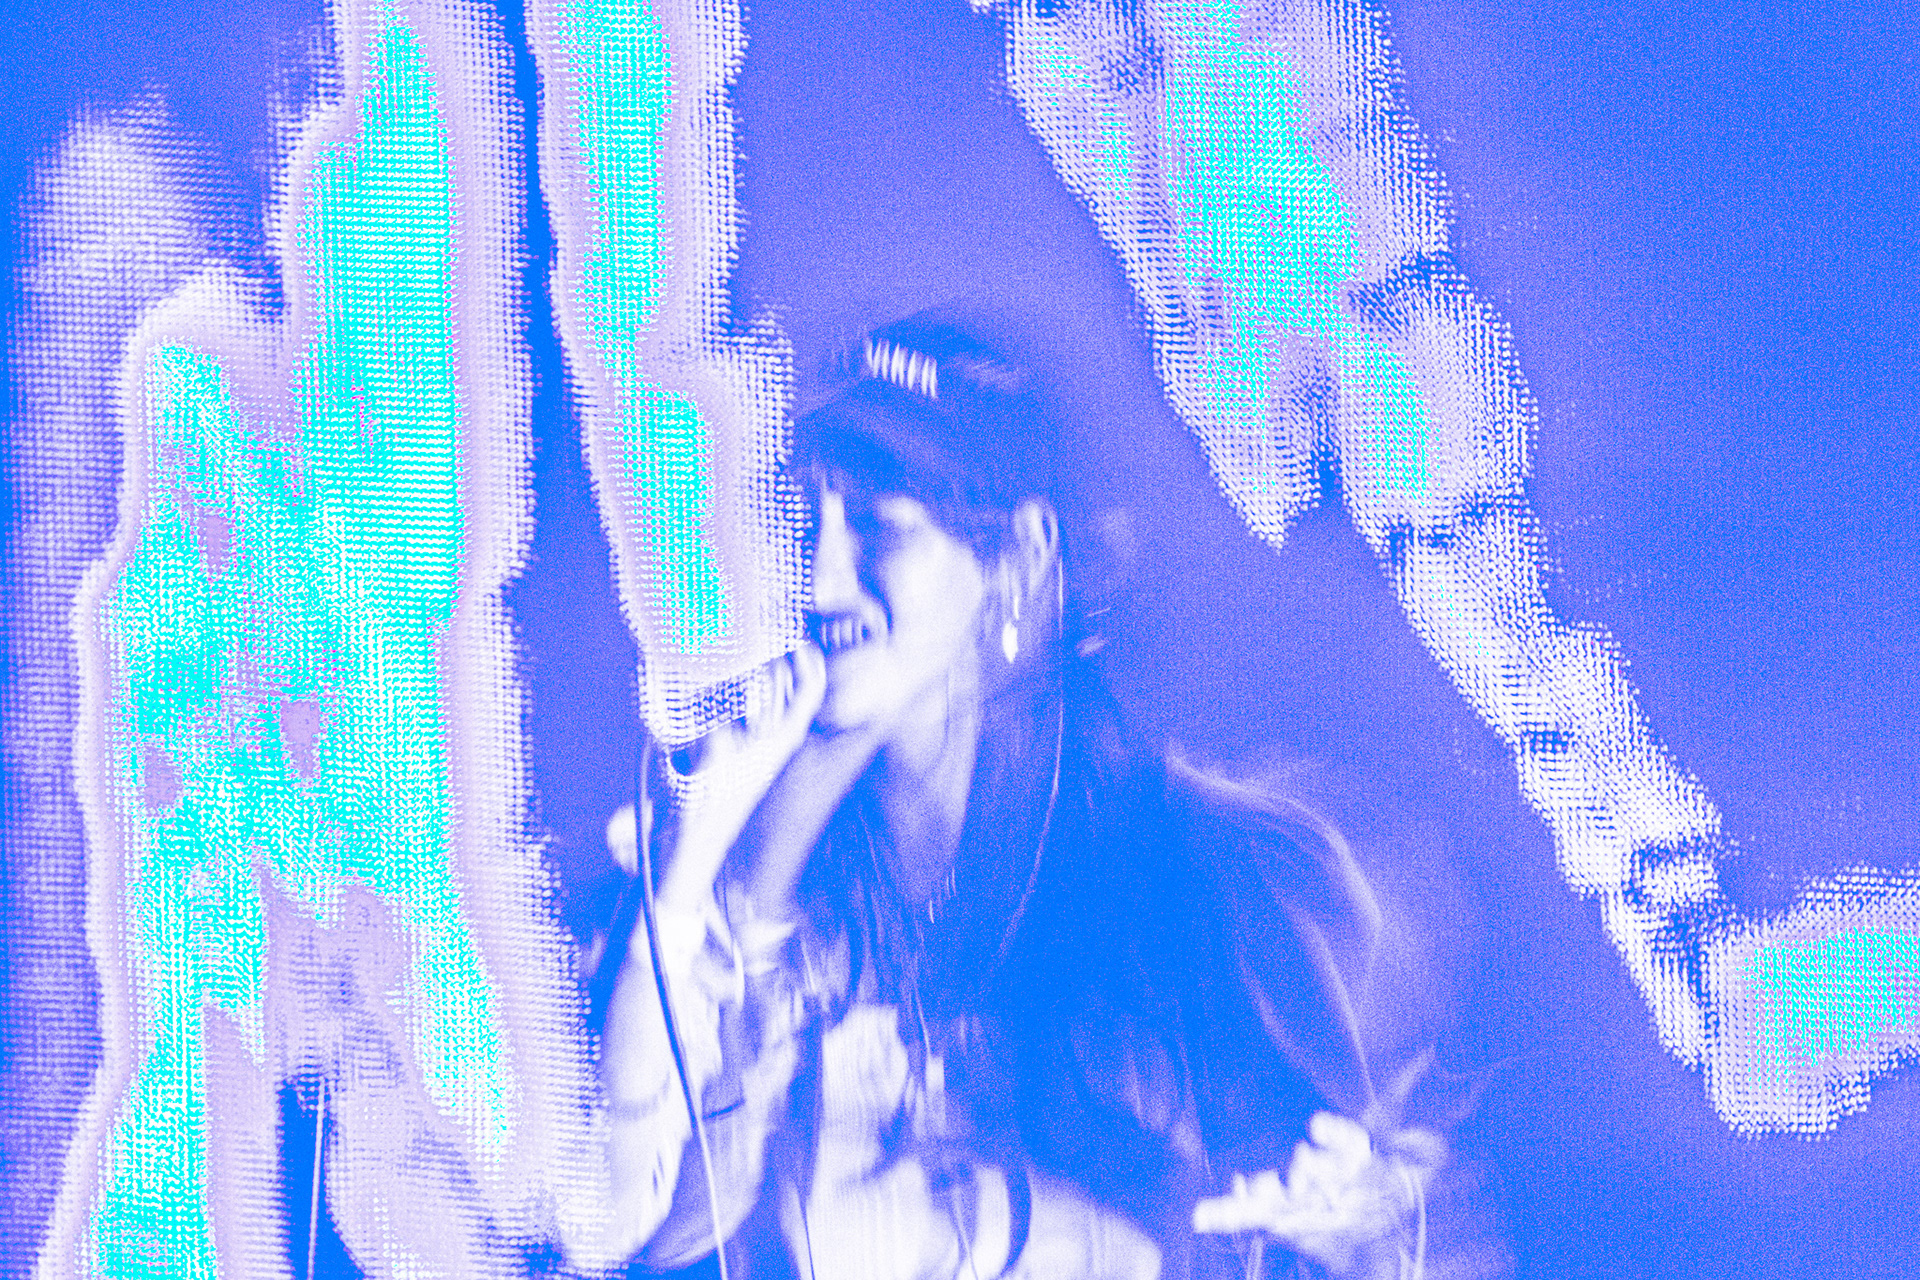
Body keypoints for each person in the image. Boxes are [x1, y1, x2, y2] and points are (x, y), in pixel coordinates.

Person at [581, 323, 1500, 1280]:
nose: (821, 578)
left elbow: (1359, 1208)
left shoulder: (1185, 878)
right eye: (803, 524)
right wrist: (717, 860)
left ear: (1018, 554)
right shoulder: (756, 859)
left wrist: (1358, 1223)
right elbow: (641, 1226)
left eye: (879, 525)